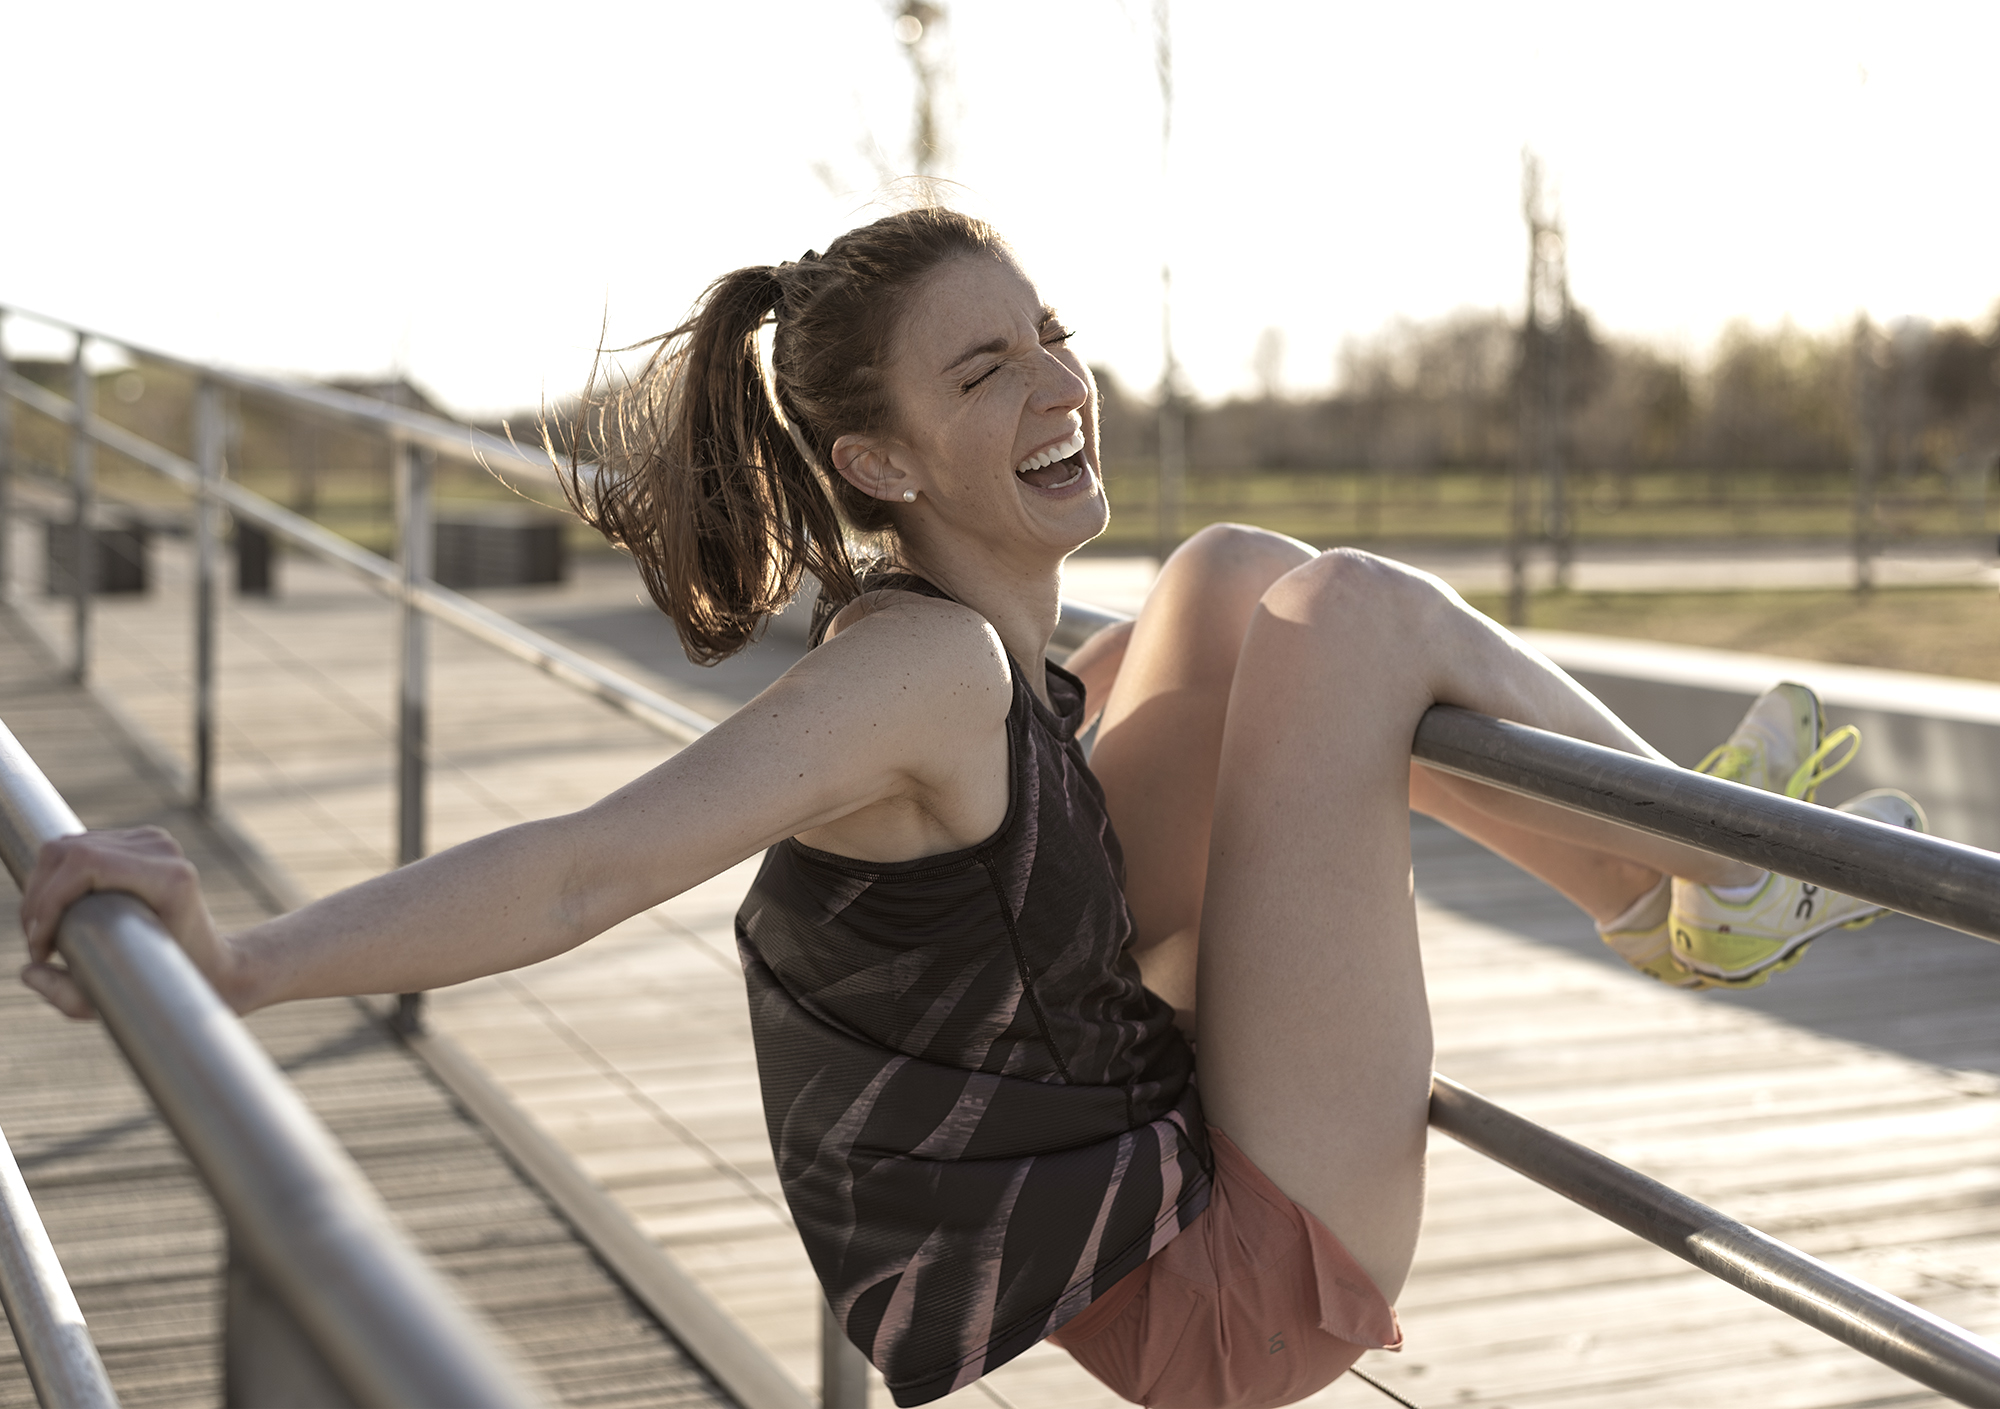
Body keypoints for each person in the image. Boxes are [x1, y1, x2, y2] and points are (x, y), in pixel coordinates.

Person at [17, 207, 1925, 1409]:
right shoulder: (925, 672)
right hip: (1237, 1280)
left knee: (1234, 570)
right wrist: (244, 958)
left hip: (1148, 1161)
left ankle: (1668, 896)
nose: (1055, 382)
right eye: (984, 367)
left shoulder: (985, 647)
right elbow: (591, 866)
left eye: (1049, 332)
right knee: (1348, 613)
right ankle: (1719, 859)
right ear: (878, 461)